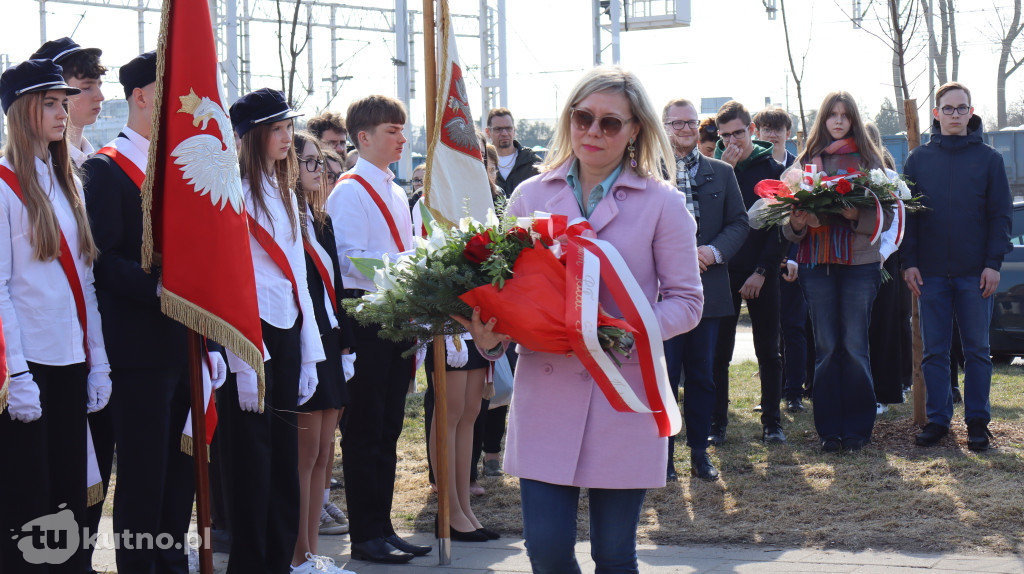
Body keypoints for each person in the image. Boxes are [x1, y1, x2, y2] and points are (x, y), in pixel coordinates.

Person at [461, 66, 703, 573]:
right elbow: (507, 299)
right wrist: (489, 339)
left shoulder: (664, 204)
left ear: (635, 129)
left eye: (610, 123)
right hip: (547, 395)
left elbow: (686, 301)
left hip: (625, 392)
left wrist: (618, 333)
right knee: (546, 552)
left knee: (614, 556)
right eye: (583, 118)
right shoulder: (529, 197)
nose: (593, 132)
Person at [82, 50, 224, 574]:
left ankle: (170, 565)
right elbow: (103, 259)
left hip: (183, 343)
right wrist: (166, 286)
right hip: (136, 350)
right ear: (140, 97)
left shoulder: (179, 169)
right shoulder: (104, 170)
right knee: (143, 478)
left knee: (180, 475)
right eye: (170, 91)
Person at [0, 58, 111, 574]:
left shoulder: (70, 181)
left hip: (72, 360)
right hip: (30, 365)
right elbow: (0, 290)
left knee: (70, 496)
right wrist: (17, 374)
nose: (62, 112)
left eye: (63, 102)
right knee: (27, 502)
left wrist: (100, 361)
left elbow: (86, 281)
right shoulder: (2, 186)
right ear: (22, 111)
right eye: (49, 102)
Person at [221, 88, 326, 574]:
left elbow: (298, 277)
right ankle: (250, 563)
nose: (287, 138)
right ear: (254, 136)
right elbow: (229, 279)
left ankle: (279, 560)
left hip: (286, 329)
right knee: (251, 462)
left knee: (283, 459)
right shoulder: (232, 192)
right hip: (250, 334)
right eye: (278, 130)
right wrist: (243, 361)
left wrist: (309, 354)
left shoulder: (284, 190)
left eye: (289, 128)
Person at [326, 94, 430, 564]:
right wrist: (404, 267)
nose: (402, 139)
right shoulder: (349, 190)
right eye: (392, 131)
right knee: (366, 428)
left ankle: (383, 527)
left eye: (402, 130)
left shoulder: (392, 188)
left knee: (388, 428)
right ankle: (365, 533)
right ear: (363, 137)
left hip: (396, 316)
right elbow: (345, 261)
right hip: (366, 318)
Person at [903, 82, 1013, 451]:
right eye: (947, 109)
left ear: (970, 112)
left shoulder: (990, 160)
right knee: (934, 352)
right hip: (930, 275)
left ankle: (978, 423)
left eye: (960, 108)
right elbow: (910, 219)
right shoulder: (918, 160)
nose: (954, 115)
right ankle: (938, 421)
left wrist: (993, 264)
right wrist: (909, 263)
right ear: (936, 113)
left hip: (974, 274)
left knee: (978, 352)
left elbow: (1000, 217)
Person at [783, 91, 892, 452]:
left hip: (860, 265)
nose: (839, 120)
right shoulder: (805, 161)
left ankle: (859, 430)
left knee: (856, 347)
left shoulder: (870, 159)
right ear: (823, 119)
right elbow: (786, 226)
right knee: (828, 348)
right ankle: (829, 431)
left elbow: (887, 215)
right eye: (833, 114)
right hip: (818, 265)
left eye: (845, 115)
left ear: (854, 119)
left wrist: (856, 215)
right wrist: (798, 221)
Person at [661, 98, 748, 482]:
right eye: (676, 123)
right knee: (663, 376)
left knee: (702, 375)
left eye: (690, 122)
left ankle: (699, 452)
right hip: (660, 294)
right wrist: (673, 256)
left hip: (707, 290)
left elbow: (739, 223)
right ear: (663, 127)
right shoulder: (645, 173)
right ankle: (661, 458)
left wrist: (711, 253)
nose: (684, 129)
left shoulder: (721, 173)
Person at [290, 130, 355, 573]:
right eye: (314, 163)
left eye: (325, 165)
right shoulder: (284, 219)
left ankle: (313, 552)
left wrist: (346, 344)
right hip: (302, 345)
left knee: (324, 453)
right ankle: (297, 555)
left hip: (330, 341)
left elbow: (336, 290)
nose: (323, 173)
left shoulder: (321, 220)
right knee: (305, 455)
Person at [711, 100, 787, 445]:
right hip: (721, 271)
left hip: (761, 271)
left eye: (738, 133)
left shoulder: (769, 167)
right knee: (719, 352)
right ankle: (717, 423)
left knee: (768, 350)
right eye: (725, 135)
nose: (732, 142)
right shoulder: (711, 168)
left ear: (751, 131)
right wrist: (721, 176)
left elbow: (778, 228)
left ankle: (772, 422)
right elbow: (708, 225)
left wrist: (762, 271)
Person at [864, 120, 911, 414]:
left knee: (883, 327)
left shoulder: (889, 177)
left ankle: (882, 392)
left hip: (882, 261)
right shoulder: (843, 175)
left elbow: (897, 223)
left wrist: (881, 253)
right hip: (849, 262)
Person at [30, 38, 106, 168]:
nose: (100, 97)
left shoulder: (97, 162)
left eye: (99, 85)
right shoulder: (35, 169)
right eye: (86, 88)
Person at [485, 107, 542, 197]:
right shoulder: (482, 164)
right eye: (498, 129)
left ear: (514, 130)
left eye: (508, 128)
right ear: (488, 132)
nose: (504, 133)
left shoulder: (532, 162)